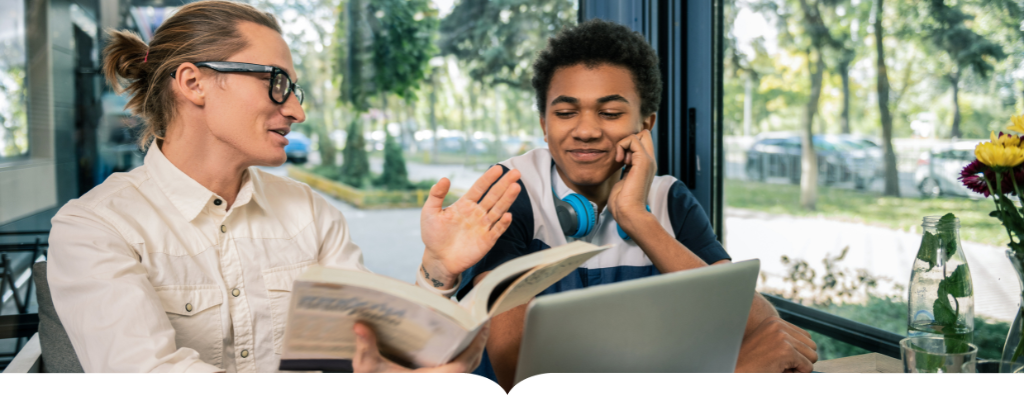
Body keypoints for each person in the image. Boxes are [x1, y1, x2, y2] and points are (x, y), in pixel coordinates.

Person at [47, 1, 521, 373]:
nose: (297, 110)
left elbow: (372, 352)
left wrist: (436, 269)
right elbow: (151, 385)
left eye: (295, 89)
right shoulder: (95, 228)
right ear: (193, 82)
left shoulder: (309, 213)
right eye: (277, 82)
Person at [455, 19, 818, 389]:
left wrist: (636, 218)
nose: (586, 130)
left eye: (610, 113)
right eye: (565, 113)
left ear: (646, 124)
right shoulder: (508, 193)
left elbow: (759, 329)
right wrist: (721, 376)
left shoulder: (670, 199)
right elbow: (518, 374)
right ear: (544, 124)